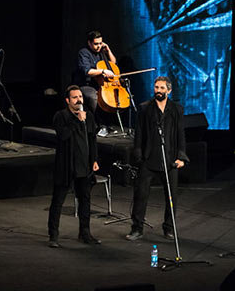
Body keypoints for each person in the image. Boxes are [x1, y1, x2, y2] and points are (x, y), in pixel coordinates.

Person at [126, 76, 189, 241]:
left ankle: (168, 228)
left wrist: (181, 157)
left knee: (171, 196)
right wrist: (138, 155)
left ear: (169, 90)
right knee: (141, 194)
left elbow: (180, 134)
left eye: (162, 88)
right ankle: (137, 228)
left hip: (169, 159)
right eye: (156, 87)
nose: (158, 91)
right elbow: (139, 133)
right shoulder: (145, 108)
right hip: (149, 158)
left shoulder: (177, 109)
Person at [48, 85, 101, 247]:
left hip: (84, 166)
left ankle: (85, 233)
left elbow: (92, 139)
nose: (79, 100)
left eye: (80, 97)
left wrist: (95, 160)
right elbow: (63, 136)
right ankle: (53, 236)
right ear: (67, 100)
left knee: (85, 200)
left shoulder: (88, 116)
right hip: (66, 165)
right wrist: (76, 121)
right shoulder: (61, 116)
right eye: (75, 97)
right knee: (58, 201)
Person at [73, 30, 117, 113]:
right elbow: (87, 72)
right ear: (89, 43)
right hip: (87, 84)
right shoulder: (84, 52)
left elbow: (113, 64)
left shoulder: (102, 52)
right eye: (96, 44)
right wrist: (103, 71)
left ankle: (109, 123)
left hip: (100, 84)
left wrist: (108, 50)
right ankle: (98, 123)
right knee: (94, 97)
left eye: (100, 43)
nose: (99, 46)